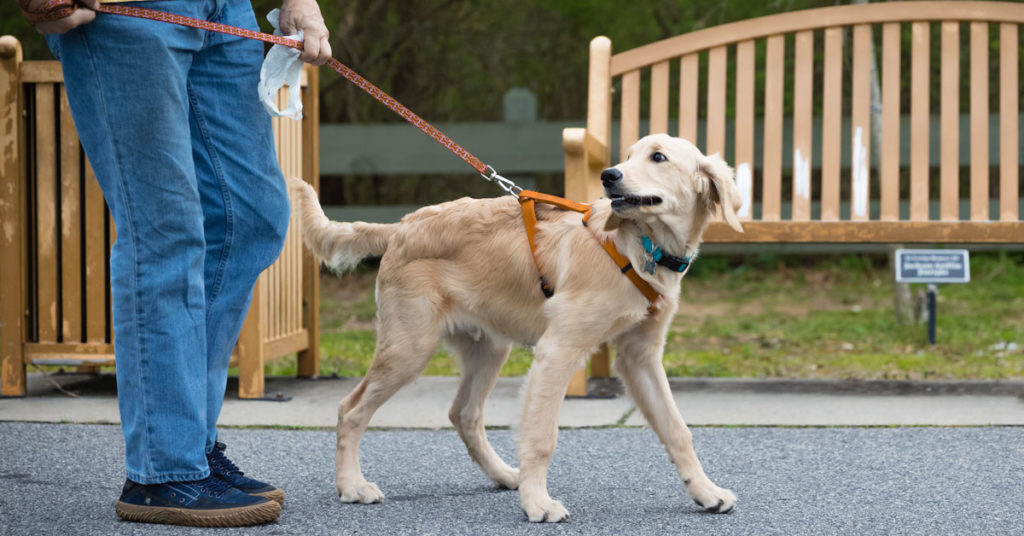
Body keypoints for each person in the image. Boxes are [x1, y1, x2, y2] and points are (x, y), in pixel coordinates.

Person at [19, 0, 331, 527]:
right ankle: (164, 470)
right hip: (124, 10)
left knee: (250, 217)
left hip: (223, 10)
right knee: (165, 228)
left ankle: (189, 445)